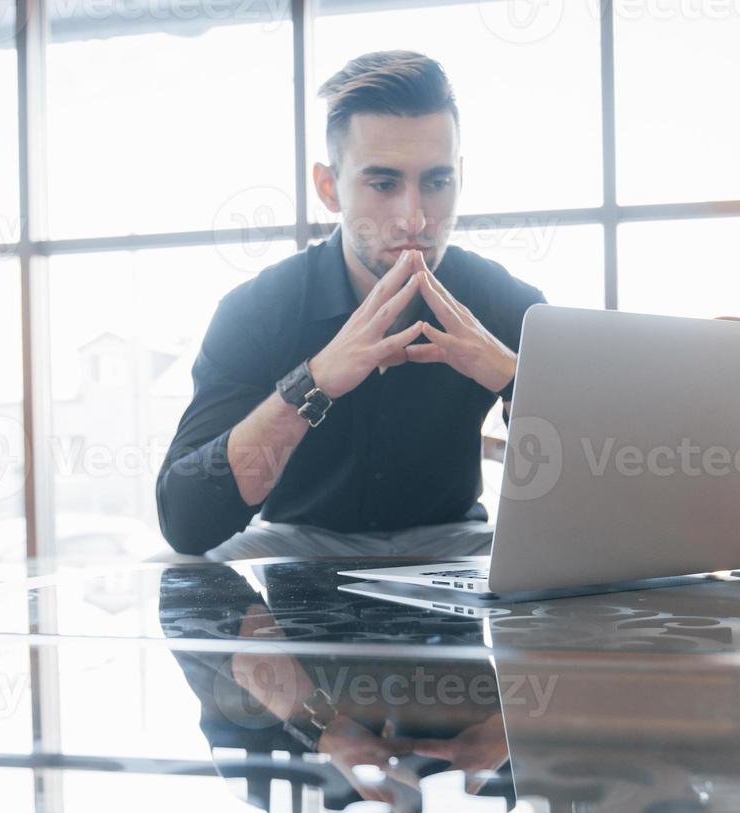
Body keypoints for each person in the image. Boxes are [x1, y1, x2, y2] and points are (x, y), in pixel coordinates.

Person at [156, 50, 547, 560]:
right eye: (383, 184)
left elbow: (600, 491)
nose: (414, 218)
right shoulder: (258, 310)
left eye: (436, 181)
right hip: (295, 541)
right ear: (329, 187)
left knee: (584, 571)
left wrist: (514, 377)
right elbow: (185, 521)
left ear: (459, 178)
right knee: (170, 567)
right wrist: (312, 381)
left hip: (454, 542)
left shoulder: (510, 304)